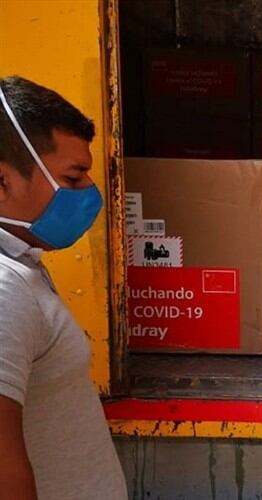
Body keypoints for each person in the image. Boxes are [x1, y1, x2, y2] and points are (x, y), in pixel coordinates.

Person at [0, 76, 127, 499]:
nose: (90, 193)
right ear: (2, 182)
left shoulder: (22, 264)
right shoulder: (3, 287)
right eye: (73, 179)